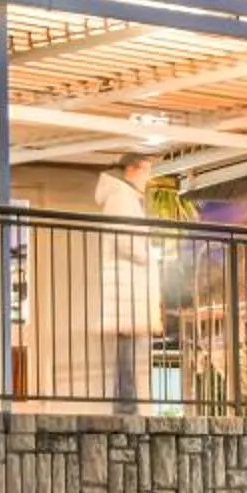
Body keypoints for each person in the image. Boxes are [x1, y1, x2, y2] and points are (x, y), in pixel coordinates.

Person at [94, 153, 162, 412]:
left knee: (128, 349)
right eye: (146, 170)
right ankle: (126, 404)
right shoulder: (121, 198)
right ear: (131, 169)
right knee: (127, 350)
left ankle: (126, 402)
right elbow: (126, 240)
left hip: (126, 284)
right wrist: (148, 256)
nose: (148, 177)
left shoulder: (122, 197)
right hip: (126, 284)